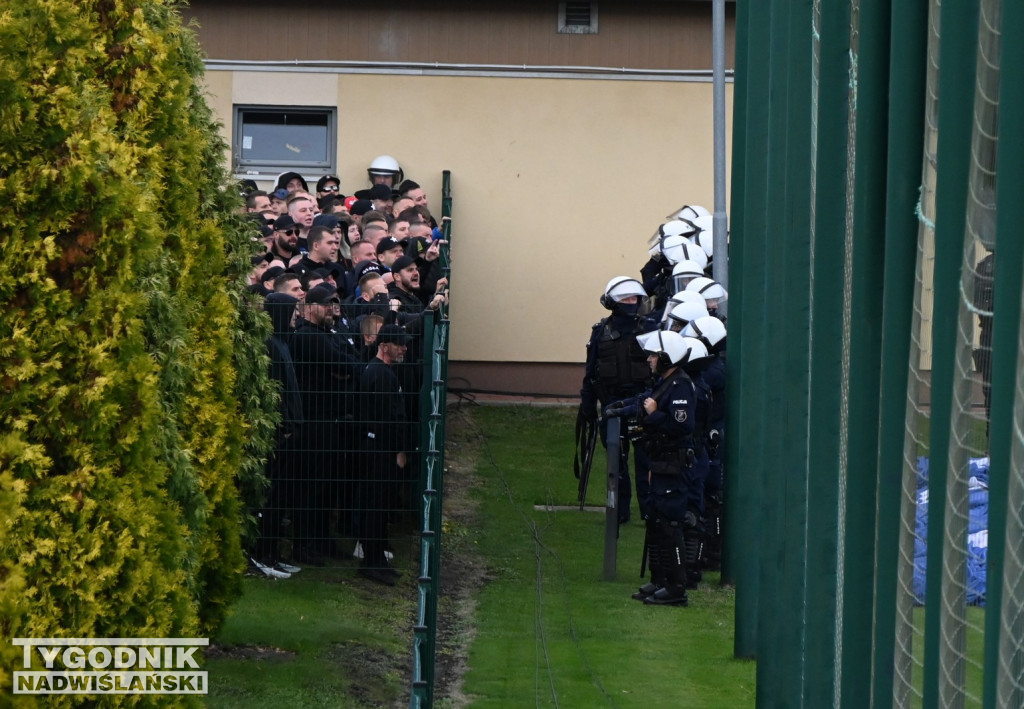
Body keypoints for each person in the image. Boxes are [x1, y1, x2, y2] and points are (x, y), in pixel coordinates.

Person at [612, 329, 699, 607]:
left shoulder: (680, 386)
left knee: (671, 524)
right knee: (657, 521)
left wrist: (654, 413)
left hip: (674, 464)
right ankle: (660, 578)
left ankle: (676, 587)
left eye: (653, 355)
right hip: (661, 462)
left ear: (666, 357)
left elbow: (682, 425)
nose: (648, 359)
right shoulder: (665, 382)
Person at [580, 277, 655, 523]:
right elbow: (591, 374)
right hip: (612, 406)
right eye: (626, 299)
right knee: (616, 461)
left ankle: (648, 510)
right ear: (613, 302)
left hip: (642, 405)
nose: (632, 303)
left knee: (646, 461)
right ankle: (620, 511)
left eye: (635, 299)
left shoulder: (649, 329)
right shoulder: (600, 332)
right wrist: (588, 406)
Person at [356, 324, 414, 585]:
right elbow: (385, 418)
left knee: (379, 506)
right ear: (384, 345)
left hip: (380, 447)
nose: (404, 348)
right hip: (380, 450)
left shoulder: (383, 372)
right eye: (399, 343)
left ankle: (377, 559)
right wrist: (398, 450)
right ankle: (372, 562)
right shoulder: (380, 375)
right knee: (376, 506)